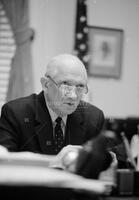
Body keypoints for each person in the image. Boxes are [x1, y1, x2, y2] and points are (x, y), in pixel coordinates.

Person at [0, 54, 104, 156]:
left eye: (80, 86)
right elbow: (5, 164)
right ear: (46, 85)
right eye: (65, 85)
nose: (73, 96)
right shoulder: (16, 113)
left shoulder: (94, 118)